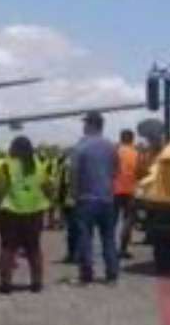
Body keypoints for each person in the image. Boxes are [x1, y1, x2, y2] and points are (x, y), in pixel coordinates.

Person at [0, 136, 53, 294]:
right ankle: (36, 282)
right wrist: (50, 201)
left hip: (11, 212)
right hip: (35, 211)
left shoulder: (7, 166)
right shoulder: (38, 165)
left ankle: (6, 283)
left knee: (8, 248)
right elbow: (47, 186)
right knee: (34, 248)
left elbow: (0, 190)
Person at [71, 112, 120, 285]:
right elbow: (115, 172)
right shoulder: (111, 147)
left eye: (85, 123)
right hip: (107, 199)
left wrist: (73, 194)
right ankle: (112, 275)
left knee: (85, 237)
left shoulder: (80, 146)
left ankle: (86, 275)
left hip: (86, 199)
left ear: (91, 125)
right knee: (108, 237)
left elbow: (74, 173)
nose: (83, 126)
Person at [116, 130, 141, 260]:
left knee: (112, 221)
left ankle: (110, 247)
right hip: (131, 190)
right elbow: (141, 172)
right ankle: (123, 248)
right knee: (128, 219)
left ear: (121, 139)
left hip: (114, 190)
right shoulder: (136, 154)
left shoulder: (115, 153)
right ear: (132, 139)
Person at [56, 150, 80, 263]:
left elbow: (63, 183)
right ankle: (81, 254)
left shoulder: (67, 164)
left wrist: (59, 200)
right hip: (84, 200)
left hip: (70, 200)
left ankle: (72, 255)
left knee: (72, 229)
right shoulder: (85, 163)